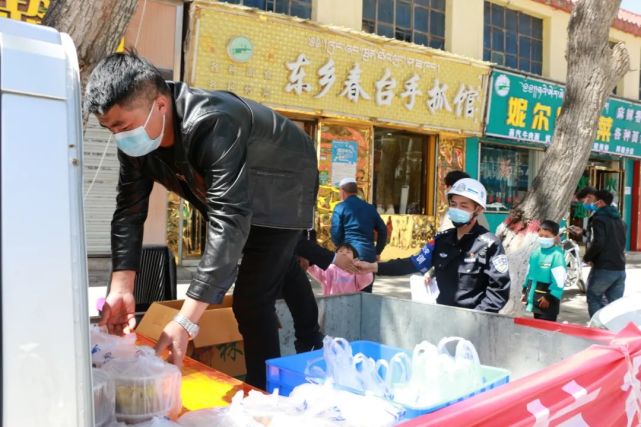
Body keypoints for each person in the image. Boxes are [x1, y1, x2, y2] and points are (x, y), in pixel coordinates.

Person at [85, 52, 318, 389]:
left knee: (252, 300)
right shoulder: (137, 143)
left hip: (282, 186)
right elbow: (129, 211)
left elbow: (230, 219)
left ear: (160, 105)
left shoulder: (212, 122)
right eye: (110, 130)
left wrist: (187, 321)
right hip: (230, 194)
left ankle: (263, 394)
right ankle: (303, 320)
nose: (119, 138)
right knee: (270, 267)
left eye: (123, 126)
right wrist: (121, 288)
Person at [357, 178, 511, 312]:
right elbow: (411, 264)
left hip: (475, 323)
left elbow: (499, 292)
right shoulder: (441, 240)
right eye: (453, 204)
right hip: (442, 317)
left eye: (464, 206)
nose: (457, 209)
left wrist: (476, 317)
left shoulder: (490, 244)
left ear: (479, 210)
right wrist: (372, 267)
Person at [331, 177, 387, 292]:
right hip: (368, 257)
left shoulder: (340, 207)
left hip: (348, 258)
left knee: (345, 296)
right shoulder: (370, 208)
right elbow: (383, 230)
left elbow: (336, 235)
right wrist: (377, 251)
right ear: (356, 191)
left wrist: (341, 250)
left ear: (342, 191)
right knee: (365, 297)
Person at [582, 190, 626, 318]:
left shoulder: (598, 218)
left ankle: (598, 331)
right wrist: (584, 233)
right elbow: (616, 240)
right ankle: (612, 331)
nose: (589, 203)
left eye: (592, 200)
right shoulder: (619, 220)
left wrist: (587, 257)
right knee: (615, 304)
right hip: (620, 268)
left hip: (604, 268)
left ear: (600, 202)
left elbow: (599, 242)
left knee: (594, 298)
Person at [521, 220, 566, 322]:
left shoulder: (557, 255)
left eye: (547, 236)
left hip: (547, 302)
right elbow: (529, 274)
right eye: (541, 235)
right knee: (538, 329)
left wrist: (549, 297)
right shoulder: (536, 253)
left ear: (555, 237)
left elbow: (559, 281)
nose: (543, 238)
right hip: (535, 300)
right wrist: (525, 291)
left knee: (547, 331)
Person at [307, 243, 374, 296]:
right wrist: (309, 263)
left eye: (348, 252)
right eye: (340, 251)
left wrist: (363, 268)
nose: (344, 253)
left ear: (355, 258)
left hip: (351, 304)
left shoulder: (355, 271)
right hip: (331, 303)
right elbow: (316, 270)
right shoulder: (330, 269)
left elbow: (367, 279)